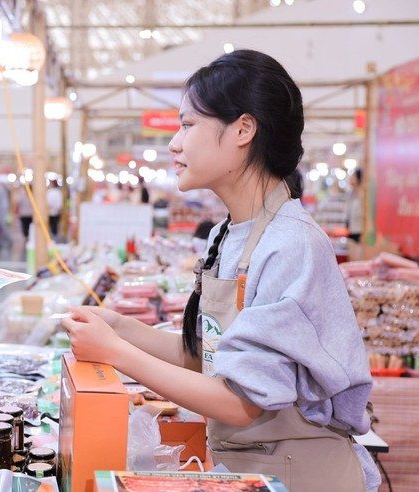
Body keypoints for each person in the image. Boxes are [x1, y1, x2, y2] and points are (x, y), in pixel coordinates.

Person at [62, 50, 379, 492]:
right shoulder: (227, 234)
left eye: (188, 124)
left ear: (243, 130)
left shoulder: (291, 244)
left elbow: (240, 402)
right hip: (252, 465)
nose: (174, 143)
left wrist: (116, 352)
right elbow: (208, 356)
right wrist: (120, 327)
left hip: (299, 473)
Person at [347, 169, 364, 243]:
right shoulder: (350, 194)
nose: (350, 178)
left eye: (353, 176)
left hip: (360, 231)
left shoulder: (363, 195)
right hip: (351, 230)